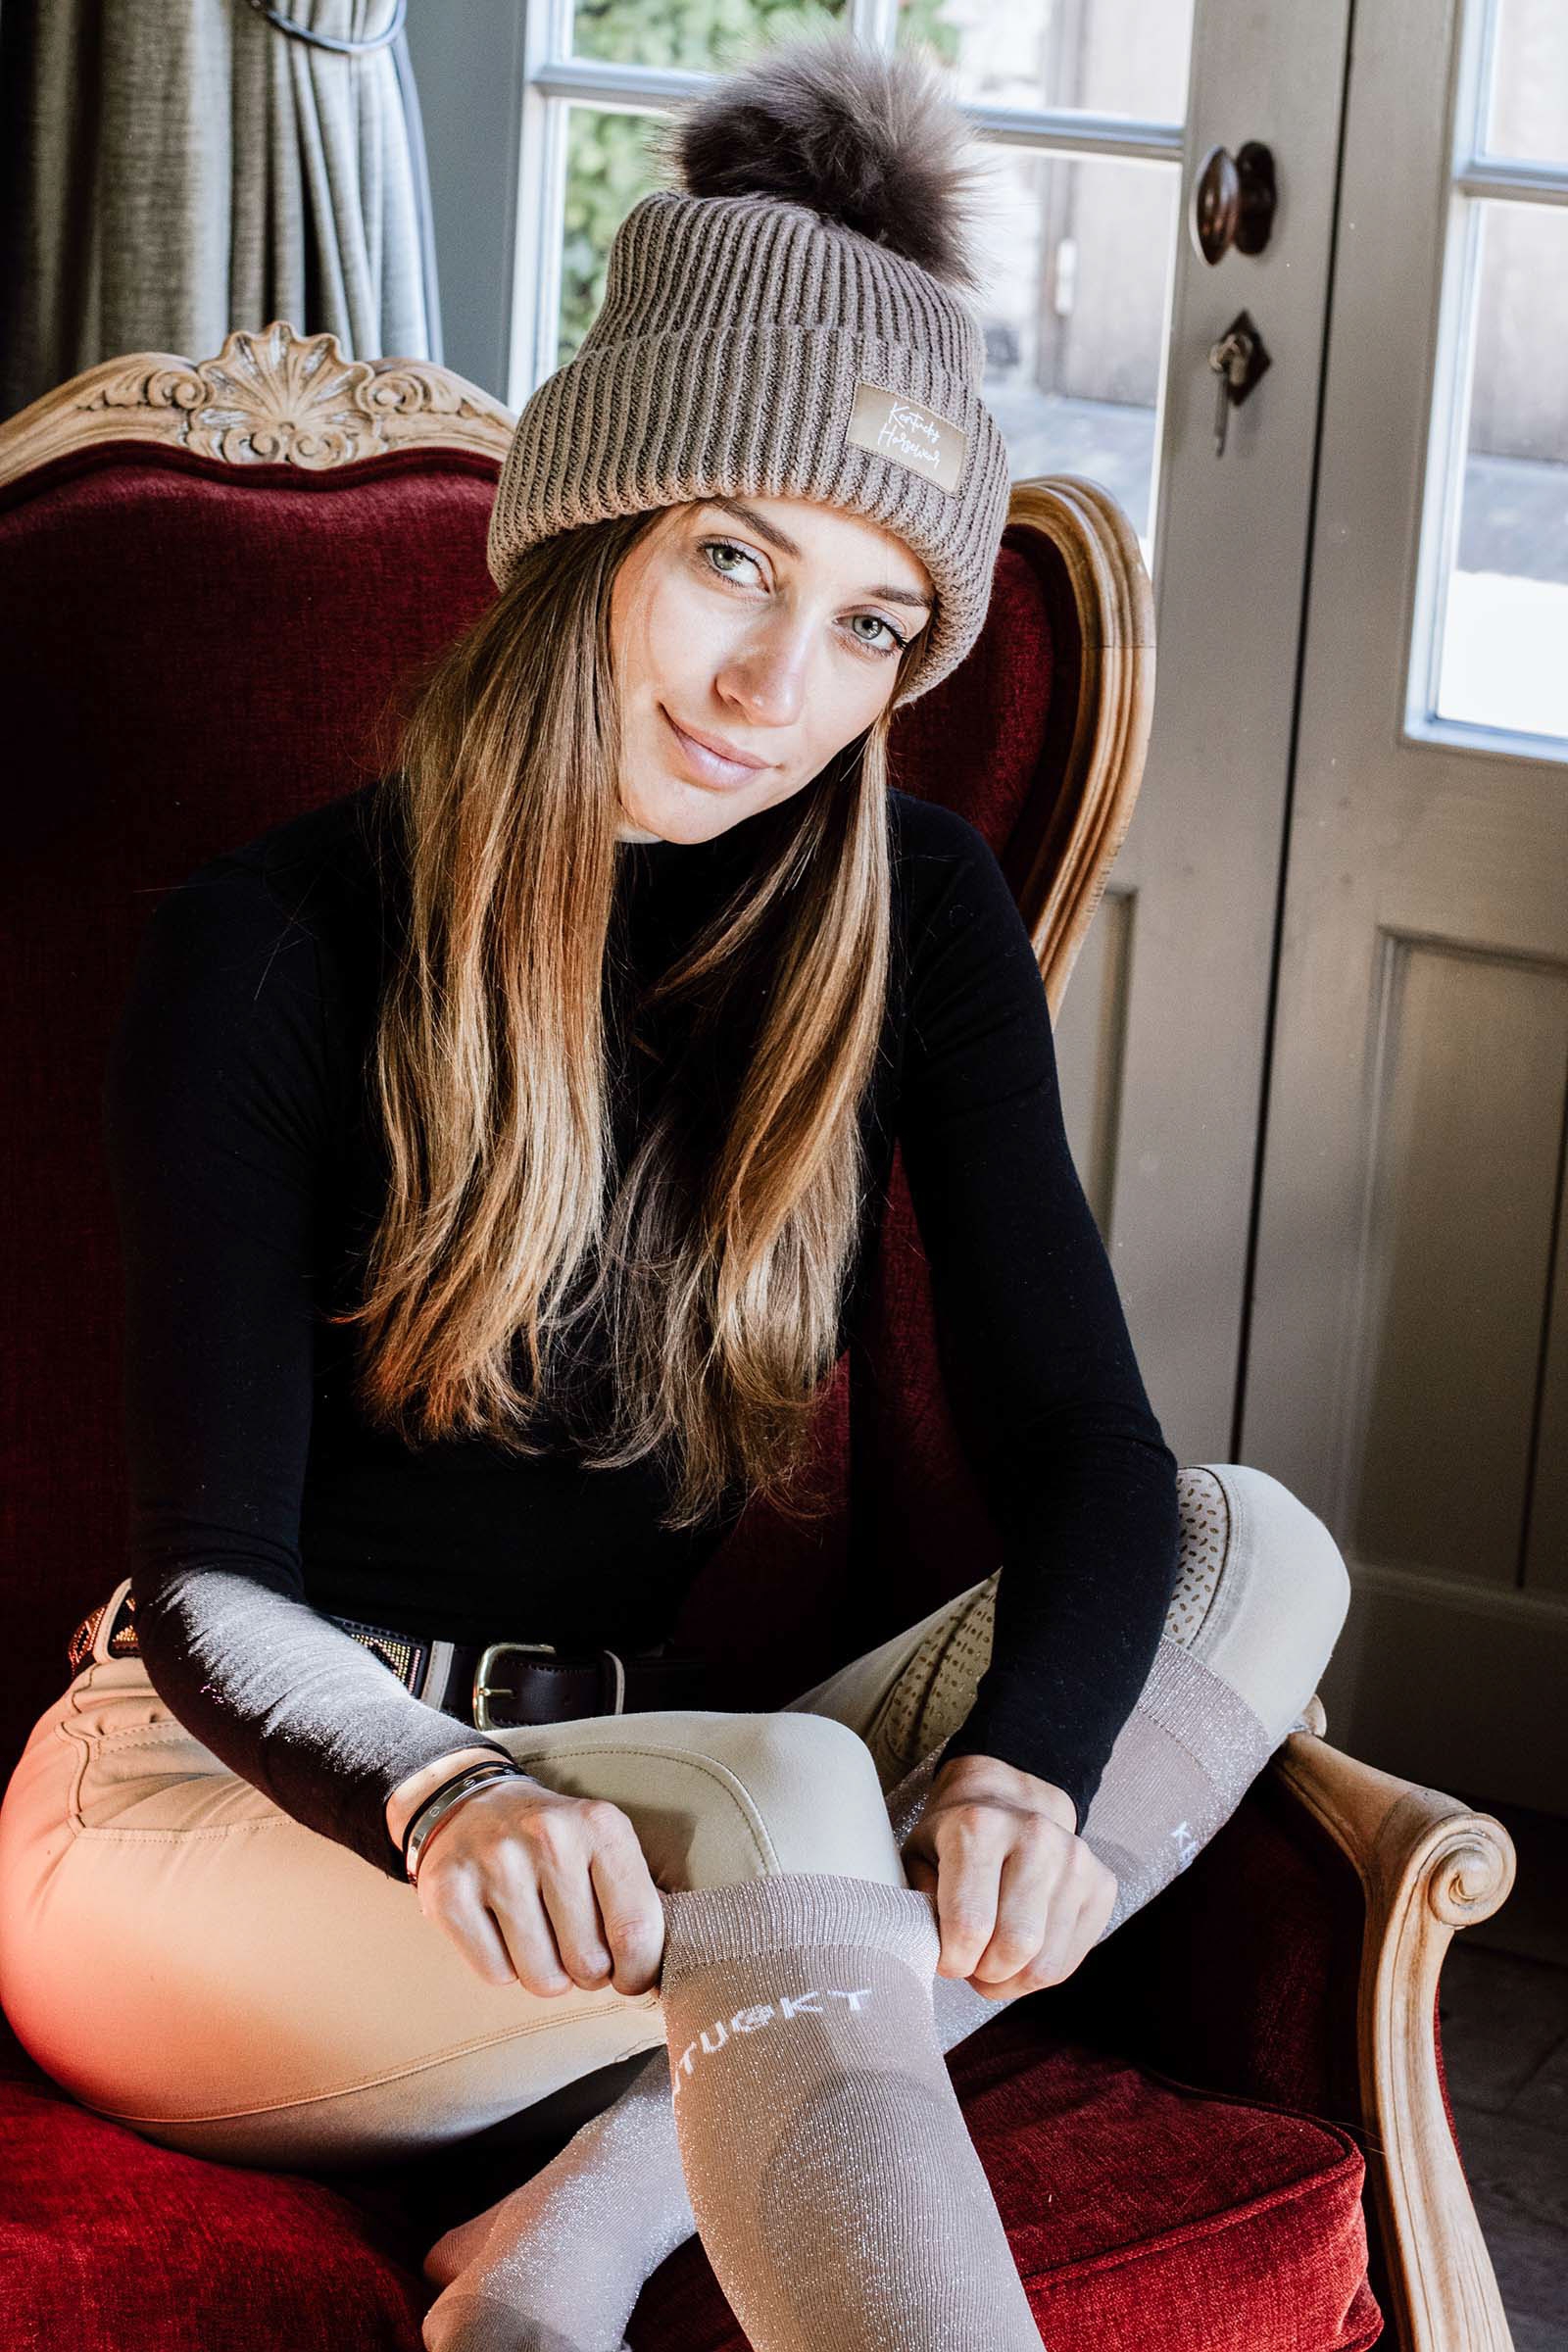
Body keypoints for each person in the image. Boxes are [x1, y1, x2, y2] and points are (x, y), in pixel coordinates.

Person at [0, 30, 1350, 2352]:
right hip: (208, 1836)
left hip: (645, 1835)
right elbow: (208, 1593)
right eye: (732, 555)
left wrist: (1031, 1760)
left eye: (867, 623)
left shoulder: (902, 921)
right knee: (788, 1798)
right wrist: (439, 1795)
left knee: (1258, 1545)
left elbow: (1090, 1462)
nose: (773, 683)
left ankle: (596, 2216)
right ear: (590, 529)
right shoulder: (280, 940)